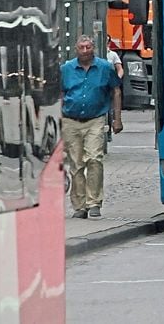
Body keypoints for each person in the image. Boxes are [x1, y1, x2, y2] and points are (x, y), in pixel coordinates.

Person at [61, 35, 122, 219]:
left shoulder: (104, 67)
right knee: (76, 165)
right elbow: (58, 93)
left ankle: (94, 202)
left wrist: (117, 119)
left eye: (88, 47)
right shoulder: (66, 69)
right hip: (70, 120)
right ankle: (79, 206)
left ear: (93, 47)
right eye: (82, 47)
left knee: (95, 159)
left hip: (95, 118)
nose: (85, 51)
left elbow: (116, 91)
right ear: (76, 49)